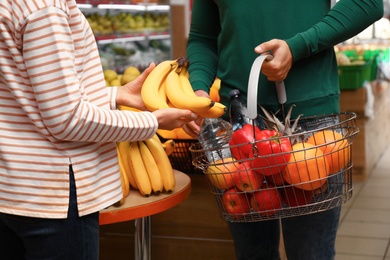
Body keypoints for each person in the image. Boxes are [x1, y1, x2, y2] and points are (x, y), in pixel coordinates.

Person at [185, 0, 383, 259]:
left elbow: (368, 3)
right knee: (253, 252)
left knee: (311, 253)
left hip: (310, 121)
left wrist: (297, 47)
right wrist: (198, 91)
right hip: (237, 123)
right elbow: (203, 37)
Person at [0, 1, 198, 259]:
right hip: (54, 194)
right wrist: (153, 122)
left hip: (14, 187)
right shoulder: (46, 7)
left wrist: (117, 95)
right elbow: (67, 119)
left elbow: (28, 93)